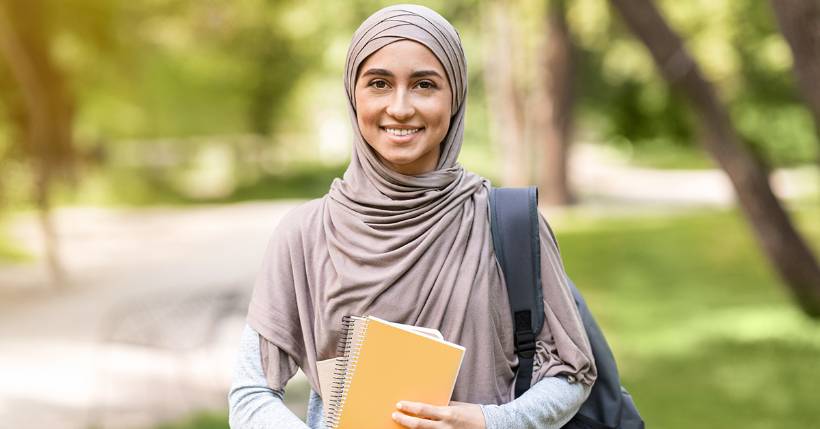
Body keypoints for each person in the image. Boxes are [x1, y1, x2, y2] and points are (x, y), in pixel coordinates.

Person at [228, 4, 596, 428]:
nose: (400, 108)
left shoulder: (505, 222)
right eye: (379, 84)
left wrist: (494, 422)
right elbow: (251, 393)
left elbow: (572, 373)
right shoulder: (305, 234)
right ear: (353, 93)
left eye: (424, 85)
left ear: (454, 95)